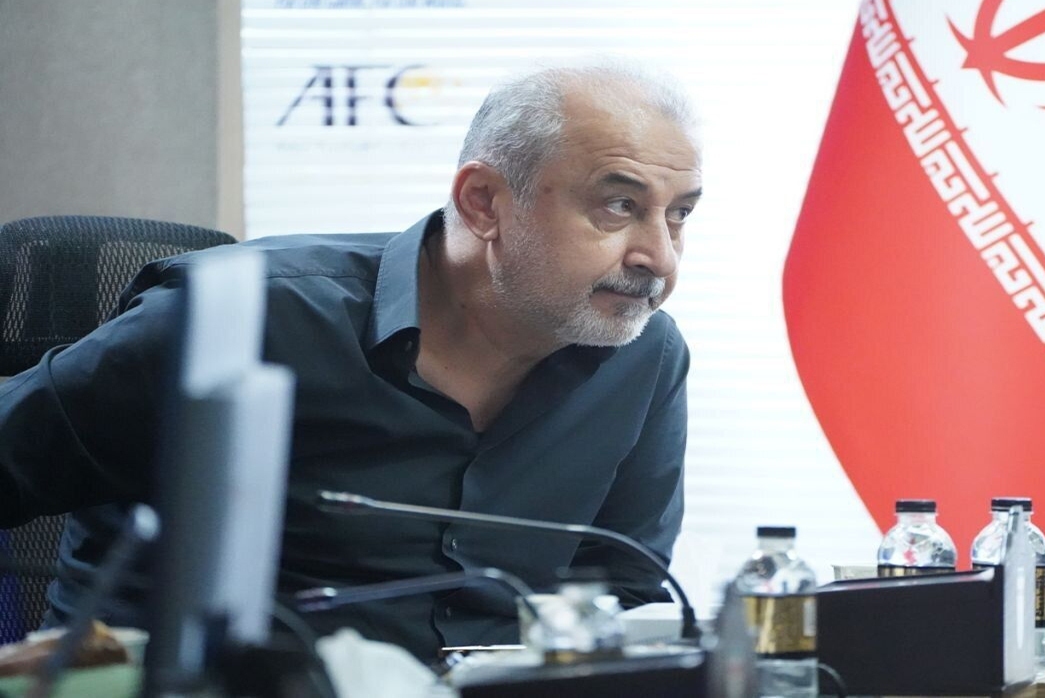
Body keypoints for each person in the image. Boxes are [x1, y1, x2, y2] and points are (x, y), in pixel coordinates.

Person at [0, 60, 702, 661]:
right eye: (619, 205)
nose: (660, 258)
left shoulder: (644, 356)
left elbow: (620, 585)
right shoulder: (244, 317)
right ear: (484, 203)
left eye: (678, 215)